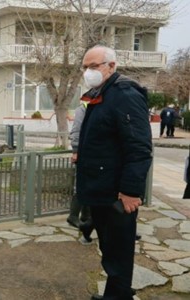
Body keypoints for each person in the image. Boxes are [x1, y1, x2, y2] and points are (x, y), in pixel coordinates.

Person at [77, 45, 152, 300]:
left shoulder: (124, 95)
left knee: (118, 252)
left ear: (111, 66)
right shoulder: (101, 93)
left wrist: (131, 191)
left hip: (117, 194)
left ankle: (118, 296)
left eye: (94, 66)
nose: (88, 71)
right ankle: (118, 293)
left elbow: (139, 148)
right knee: (110, 250)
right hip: (101, 189)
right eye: (85, 67)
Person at [67, 101, 93, 244]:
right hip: (84, 152)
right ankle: (74, 216)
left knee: (90, 185)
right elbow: (76, 130)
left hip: (94, 152)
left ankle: (85, 217)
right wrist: (76, 150)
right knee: (81, 184)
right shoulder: (83, 107)